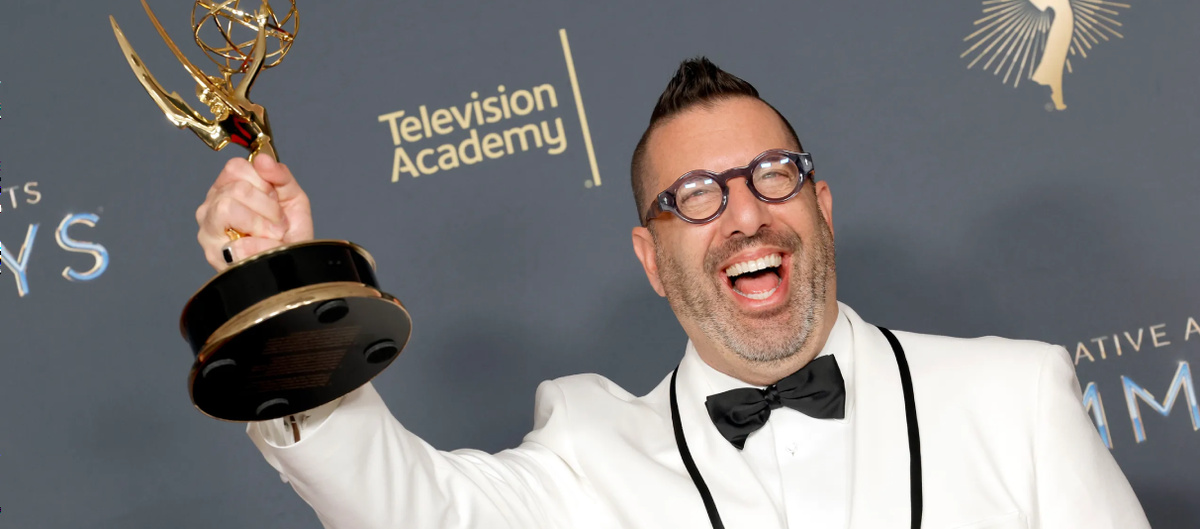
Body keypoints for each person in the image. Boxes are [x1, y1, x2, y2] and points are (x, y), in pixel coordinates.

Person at [194, 57, 1150, 529]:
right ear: (651, 260)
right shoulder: (587, 456)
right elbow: (404, 506)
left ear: (821, 209)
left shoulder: (1016, 398)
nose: (745, 214)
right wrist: (281, 292)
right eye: (696, 195)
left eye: (772, 175)